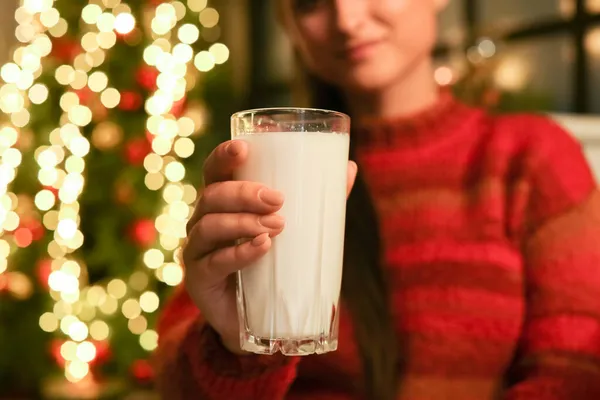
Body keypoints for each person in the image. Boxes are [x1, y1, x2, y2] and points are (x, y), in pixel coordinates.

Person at [154, 0, 600, 398]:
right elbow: (174, 382)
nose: (346, 19)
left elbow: (574, 369)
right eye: (310, 3)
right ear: (287, 22)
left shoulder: (529, 158)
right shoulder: (264, 165)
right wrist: (232, 347)